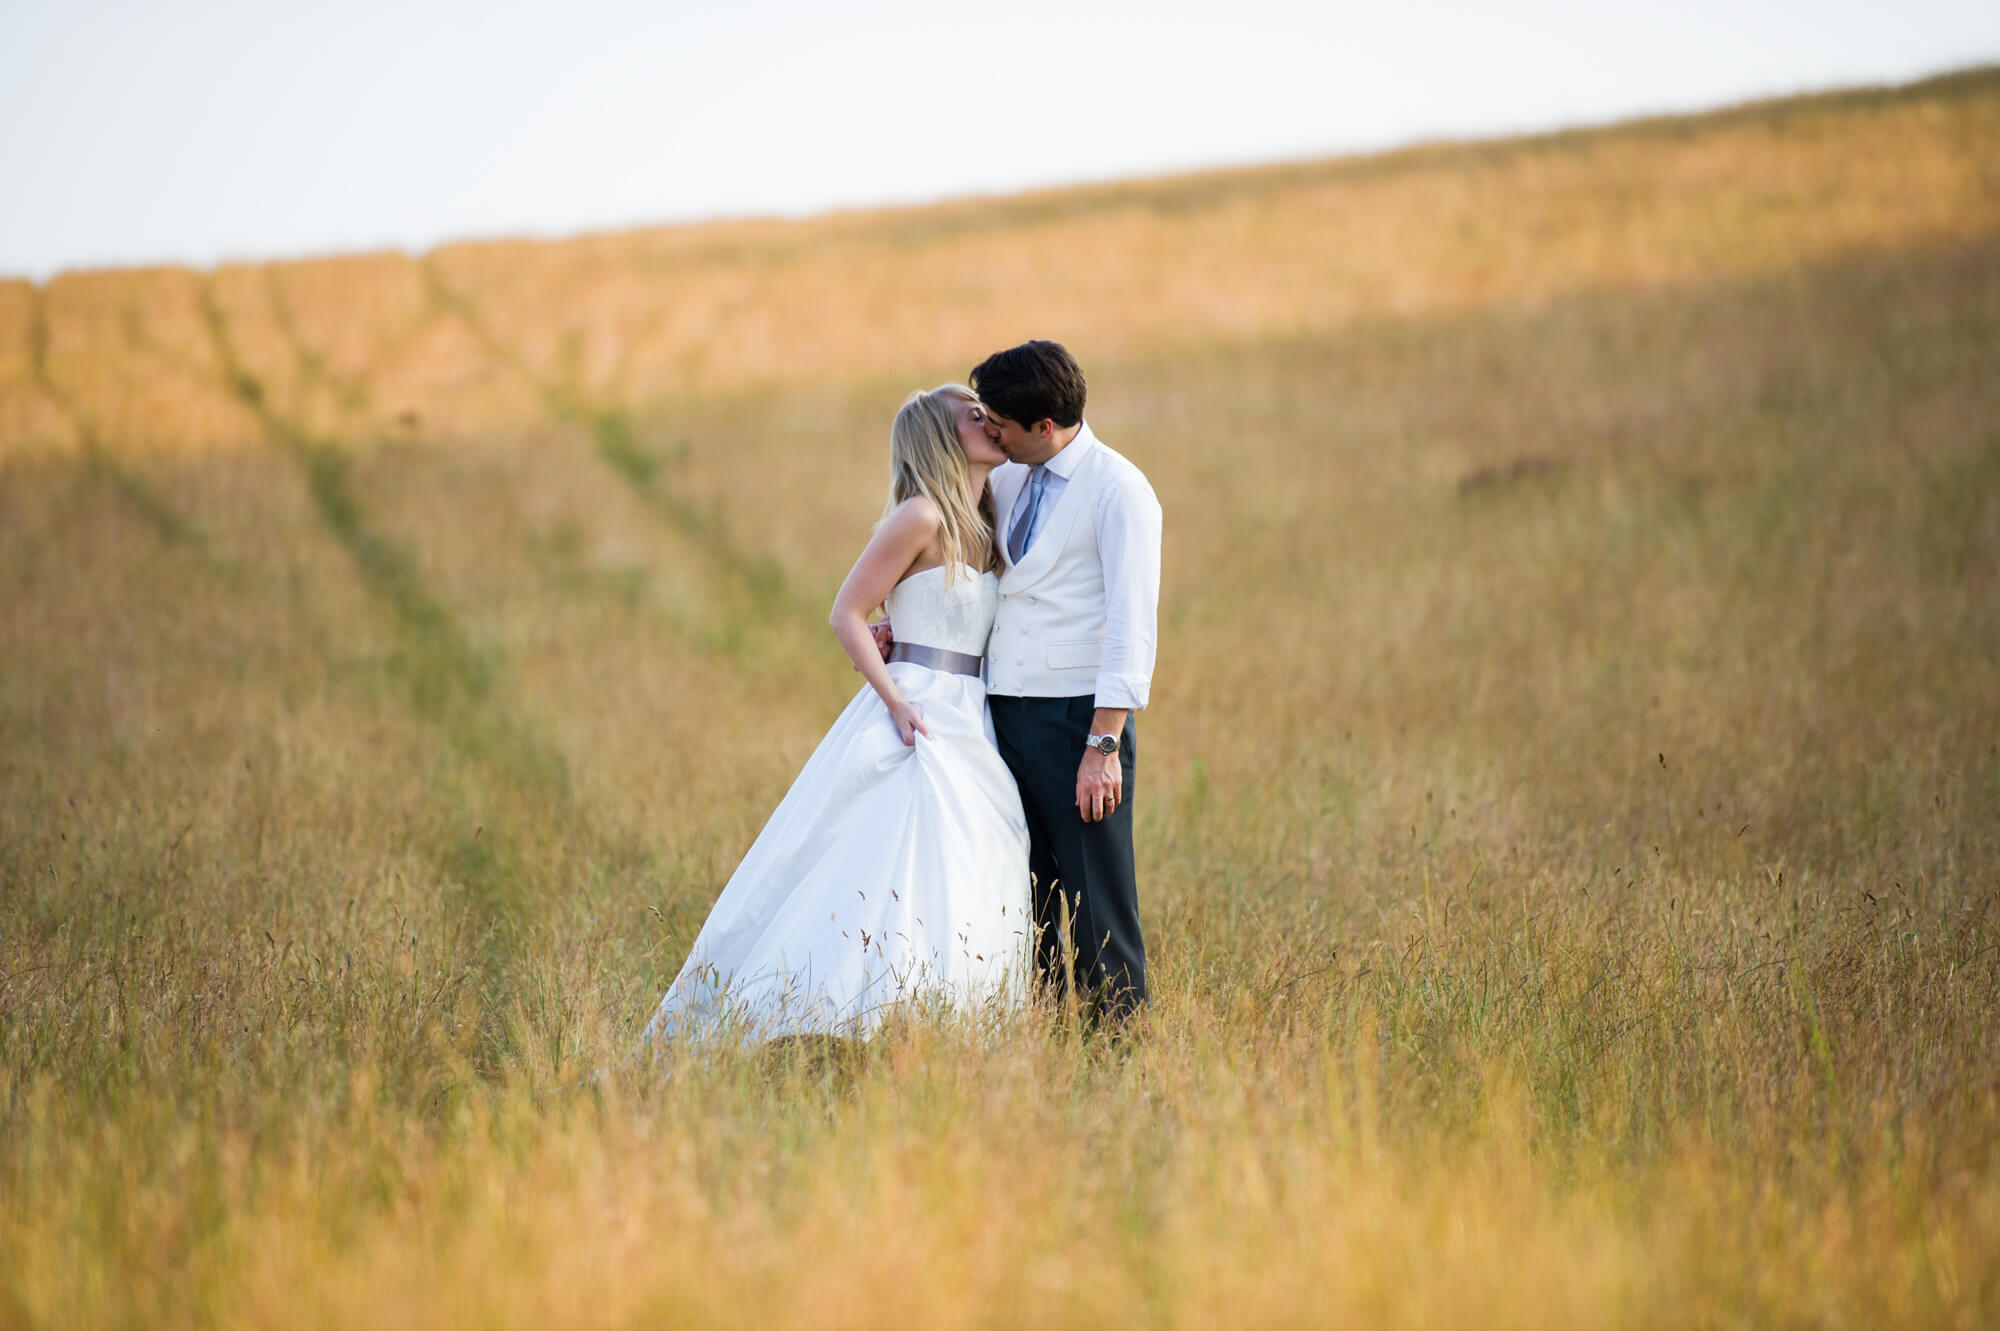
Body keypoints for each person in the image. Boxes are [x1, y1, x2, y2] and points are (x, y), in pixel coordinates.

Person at [640, 386, 1031, 1045]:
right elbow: (847, 611)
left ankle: (953, 1019)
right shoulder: (921, 517)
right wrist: (896, 700)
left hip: (972, 714)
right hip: (917, 708)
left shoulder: (988, 519)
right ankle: (851, 1011)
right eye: (973, 415)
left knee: (975, 857)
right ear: (941, 434)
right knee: (898, 855)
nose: (989, 421)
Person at [972, 340, 1162, 1025]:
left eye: (999, 422)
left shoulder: (1121, 491)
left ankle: (1120, 1051)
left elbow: (1131, 626)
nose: (989, 432)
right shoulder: (1007, 476)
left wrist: (1102, 746)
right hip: (998, 717)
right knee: (1019, 893)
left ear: (1044, 425)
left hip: (1076, 723)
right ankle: (1041, 1036)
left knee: (1095, 900)